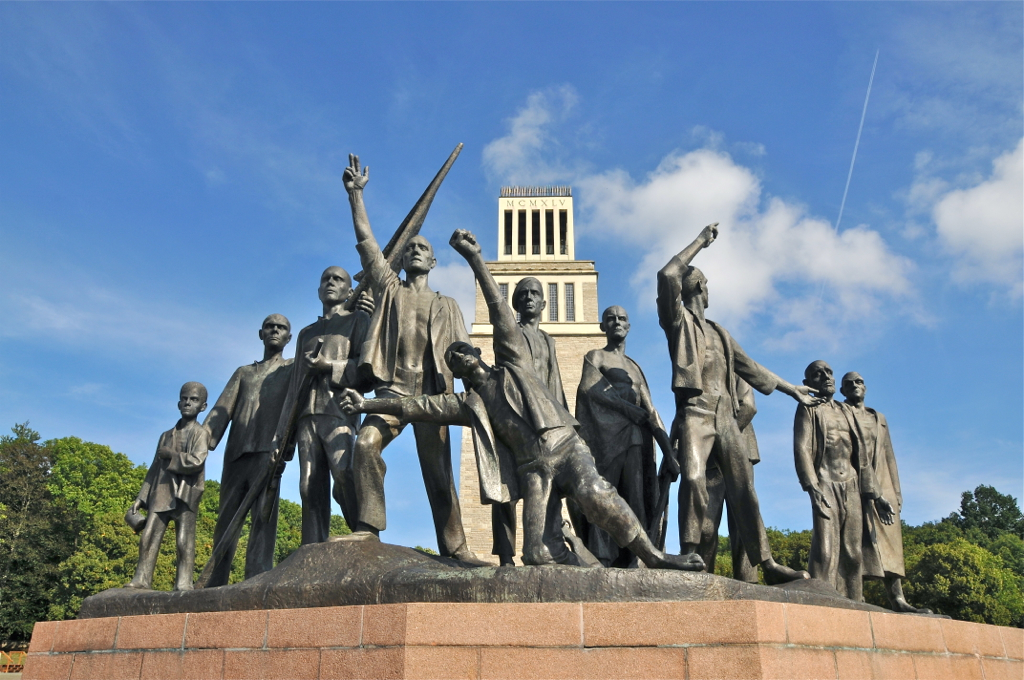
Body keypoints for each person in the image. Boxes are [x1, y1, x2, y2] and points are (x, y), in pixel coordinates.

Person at [340, 229, 705, 572]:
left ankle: (654, 557)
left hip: (563, 444)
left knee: (597, 494)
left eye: (463, 352)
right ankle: (570, 570)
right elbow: (415, 407)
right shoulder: (471, 403)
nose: (461, 360)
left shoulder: (513, 361)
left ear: (478, 353)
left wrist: (475, 258)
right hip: (535, 468)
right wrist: (366, 405)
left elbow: (499, 309)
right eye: (453, 361)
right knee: (535, 552)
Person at [340, 155, 483, 564]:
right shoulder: (391, 291)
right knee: (366, 445)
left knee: (438, 476)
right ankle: (368, 529)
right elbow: (369, 246)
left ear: (434, 262)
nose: (416, 251)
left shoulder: (447, 304)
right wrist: (355, 196)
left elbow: (466, 356)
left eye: (424, 249)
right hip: (391, 388)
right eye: (412, 248)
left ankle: (456, 548)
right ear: (402, 260)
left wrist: (479, 396)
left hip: (431, 394)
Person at [657, 223, 815, 584]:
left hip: (725, 415)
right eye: (707, 285)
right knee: (694, 478)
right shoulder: (677, 322)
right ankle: (690, 554)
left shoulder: (721, 334)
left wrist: (792, 389)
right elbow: (667, 273)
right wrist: (700, 242)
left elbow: (752, 367)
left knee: (745, 489)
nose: (710, 292)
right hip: (695, 412)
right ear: (697, 286)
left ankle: (767, 563)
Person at [275, 267, 370, 545]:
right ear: (318, 291)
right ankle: (312, 548)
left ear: (349, 291)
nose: (330, 282)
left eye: (338, 279)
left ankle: (363, 536)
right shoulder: (307, 333)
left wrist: (328, 366)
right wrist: (283, 434)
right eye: (325, 279)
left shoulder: (358, 321)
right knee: (308, 485)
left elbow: (366, 370)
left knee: (345, 473)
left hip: (339, 410)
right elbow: (294, 386)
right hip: (306, 415)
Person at [202, 315, 293, 586]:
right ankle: (214, 581)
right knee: (226, 518)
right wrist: (198, 446)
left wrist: (287, 447)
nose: (275, 330)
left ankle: (256, 577)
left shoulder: (291, 370)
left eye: (281, 328)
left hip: (269, 453)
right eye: (270, 326)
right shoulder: (243, 373)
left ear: (289, 338)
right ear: (260, 334)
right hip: (237, 453)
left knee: (263, 519)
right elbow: (219, 413)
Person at [574, 305, 667, 567]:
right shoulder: (597, 357)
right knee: (604, 496)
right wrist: (626, 408)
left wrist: (668, 452)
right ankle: (600, 556)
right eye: (610, 318)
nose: (616, 321)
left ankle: (636, 557)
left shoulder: (633, 368)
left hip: (635, 439)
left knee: (635, 498)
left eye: (622, 318)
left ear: (628, 327)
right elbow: (589, 390)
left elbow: (650, 411)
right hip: (606, 440)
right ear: (602, 326)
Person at [794, 361, 895, 600]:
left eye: (828, 372)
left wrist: (877, 495)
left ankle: (854, 602)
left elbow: (861, 457)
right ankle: (822, 600)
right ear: (809, 384)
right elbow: (802, 449)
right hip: (825, 483)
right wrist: (811, 487)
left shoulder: (846, 411)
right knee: (826, 550)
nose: (825, 376)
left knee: (853, 552)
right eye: (817, 374)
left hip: (851, 484)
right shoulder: (808, 408)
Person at [491, 277, 568, 566]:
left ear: (544, 303)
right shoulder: (510, 331)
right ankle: (505, 556)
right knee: (505, 488)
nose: (529, 298)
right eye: (522, 294)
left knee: (549, 487)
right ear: (515, 303)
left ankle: (550, 548)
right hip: (513, 418)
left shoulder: (548, 340)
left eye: (534, 293)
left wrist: (565, 424)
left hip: (544, 422)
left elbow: (555, 382)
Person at [841, 372, 930, 613]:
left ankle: (897, 598)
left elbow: (890, 456)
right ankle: (852, 595)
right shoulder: (841, 413)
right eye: (848, 384)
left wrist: (896, 492)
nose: (854, 386)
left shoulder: (878, 418)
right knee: (856, 540)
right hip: (853, 481)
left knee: (890, 541)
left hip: (883, 482)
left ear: (865, 388)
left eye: (858, 382)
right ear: (843, 391)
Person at [127, 382, 210, 591]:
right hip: (161, 490)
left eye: (194, 400)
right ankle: (142, 579)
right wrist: (142, 497)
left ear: (203, 406)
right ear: (178, 403)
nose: (187, 403)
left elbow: (196, 461)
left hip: (186, 493)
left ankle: (183, 582)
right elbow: (154, 468)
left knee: (184, 541)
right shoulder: (165, 435)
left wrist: (172, 456)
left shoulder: (201, 434)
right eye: (184, 399)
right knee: (148, 537)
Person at [698, 375, 760, 583]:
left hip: (738, 452)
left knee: (744, 521)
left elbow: (748, 407)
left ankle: (749, 582)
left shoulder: (734, 372)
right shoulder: (700, 372)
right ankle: (702, 579)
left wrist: (722, 442)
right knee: (705, 525)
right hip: (707, 457)